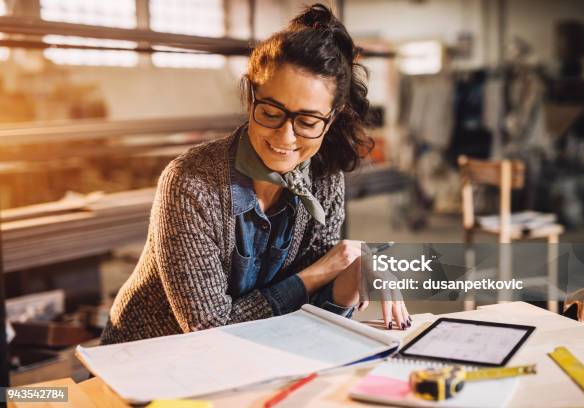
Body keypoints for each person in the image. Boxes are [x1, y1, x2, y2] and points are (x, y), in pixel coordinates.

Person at [100, 3, 410, 345]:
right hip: (146, 360)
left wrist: (347, 282)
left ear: (330, 120)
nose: (285, 137)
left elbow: (311, 315)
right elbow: (209, 331)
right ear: (251, 98)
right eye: (271, 112)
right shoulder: (190, 184)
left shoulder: (324, 181)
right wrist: (319, 272)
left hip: (251, 354)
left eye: (307, 122)